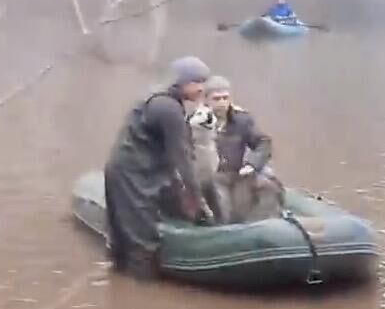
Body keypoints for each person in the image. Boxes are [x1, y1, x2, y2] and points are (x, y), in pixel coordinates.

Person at [104, 56, 212, 280]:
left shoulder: (159, 97)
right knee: (142, 243)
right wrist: (197, 200)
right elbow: (182, 158)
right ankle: (138, 300)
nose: (201, 88)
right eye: (196, 82)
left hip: (136, 168)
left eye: (204, 82)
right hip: (133, 175)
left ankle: (120, 285)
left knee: (124, 240)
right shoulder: (168, 108)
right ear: (181, 82)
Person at [203, 75, 284, 223]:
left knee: (269, 188)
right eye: (216, 99)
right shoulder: (198, 123)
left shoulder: (242, 120)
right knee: (222, 205)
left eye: (225, 98)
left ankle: (262, 229)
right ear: (206, 100)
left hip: (239, 174)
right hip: (214, 178)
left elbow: (263, 143)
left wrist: (252, 164)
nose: (222, 103)